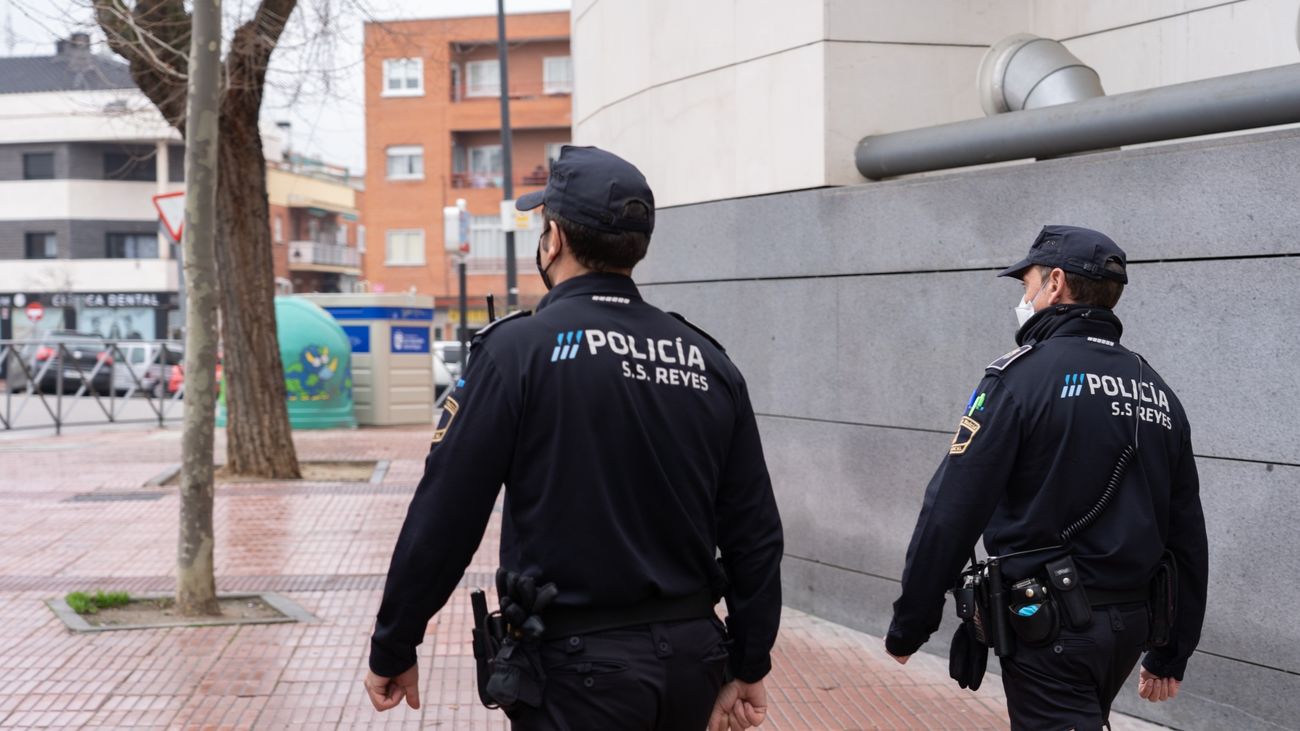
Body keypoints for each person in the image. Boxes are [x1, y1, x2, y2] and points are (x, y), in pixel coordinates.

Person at [362, 145, 784, 731]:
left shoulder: (515, 353)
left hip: (575, 672)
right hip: (692, 661)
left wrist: (395, 643)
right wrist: (749, 660)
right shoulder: (708, 361)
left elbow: (446, 514)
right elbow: (754, 532)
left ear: (553, 239)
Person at [884, 225, 1208, 730]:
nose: (1024, 297)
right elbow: (1187, 532)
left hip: (1052, 627)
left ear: (1054, 283)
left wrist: (911, 624)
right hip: (1130, 624)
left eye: (1026, 284)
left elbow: (951, 508)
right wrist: (1172, 650)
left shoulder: (1018, 378)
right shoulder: (1157, 390)